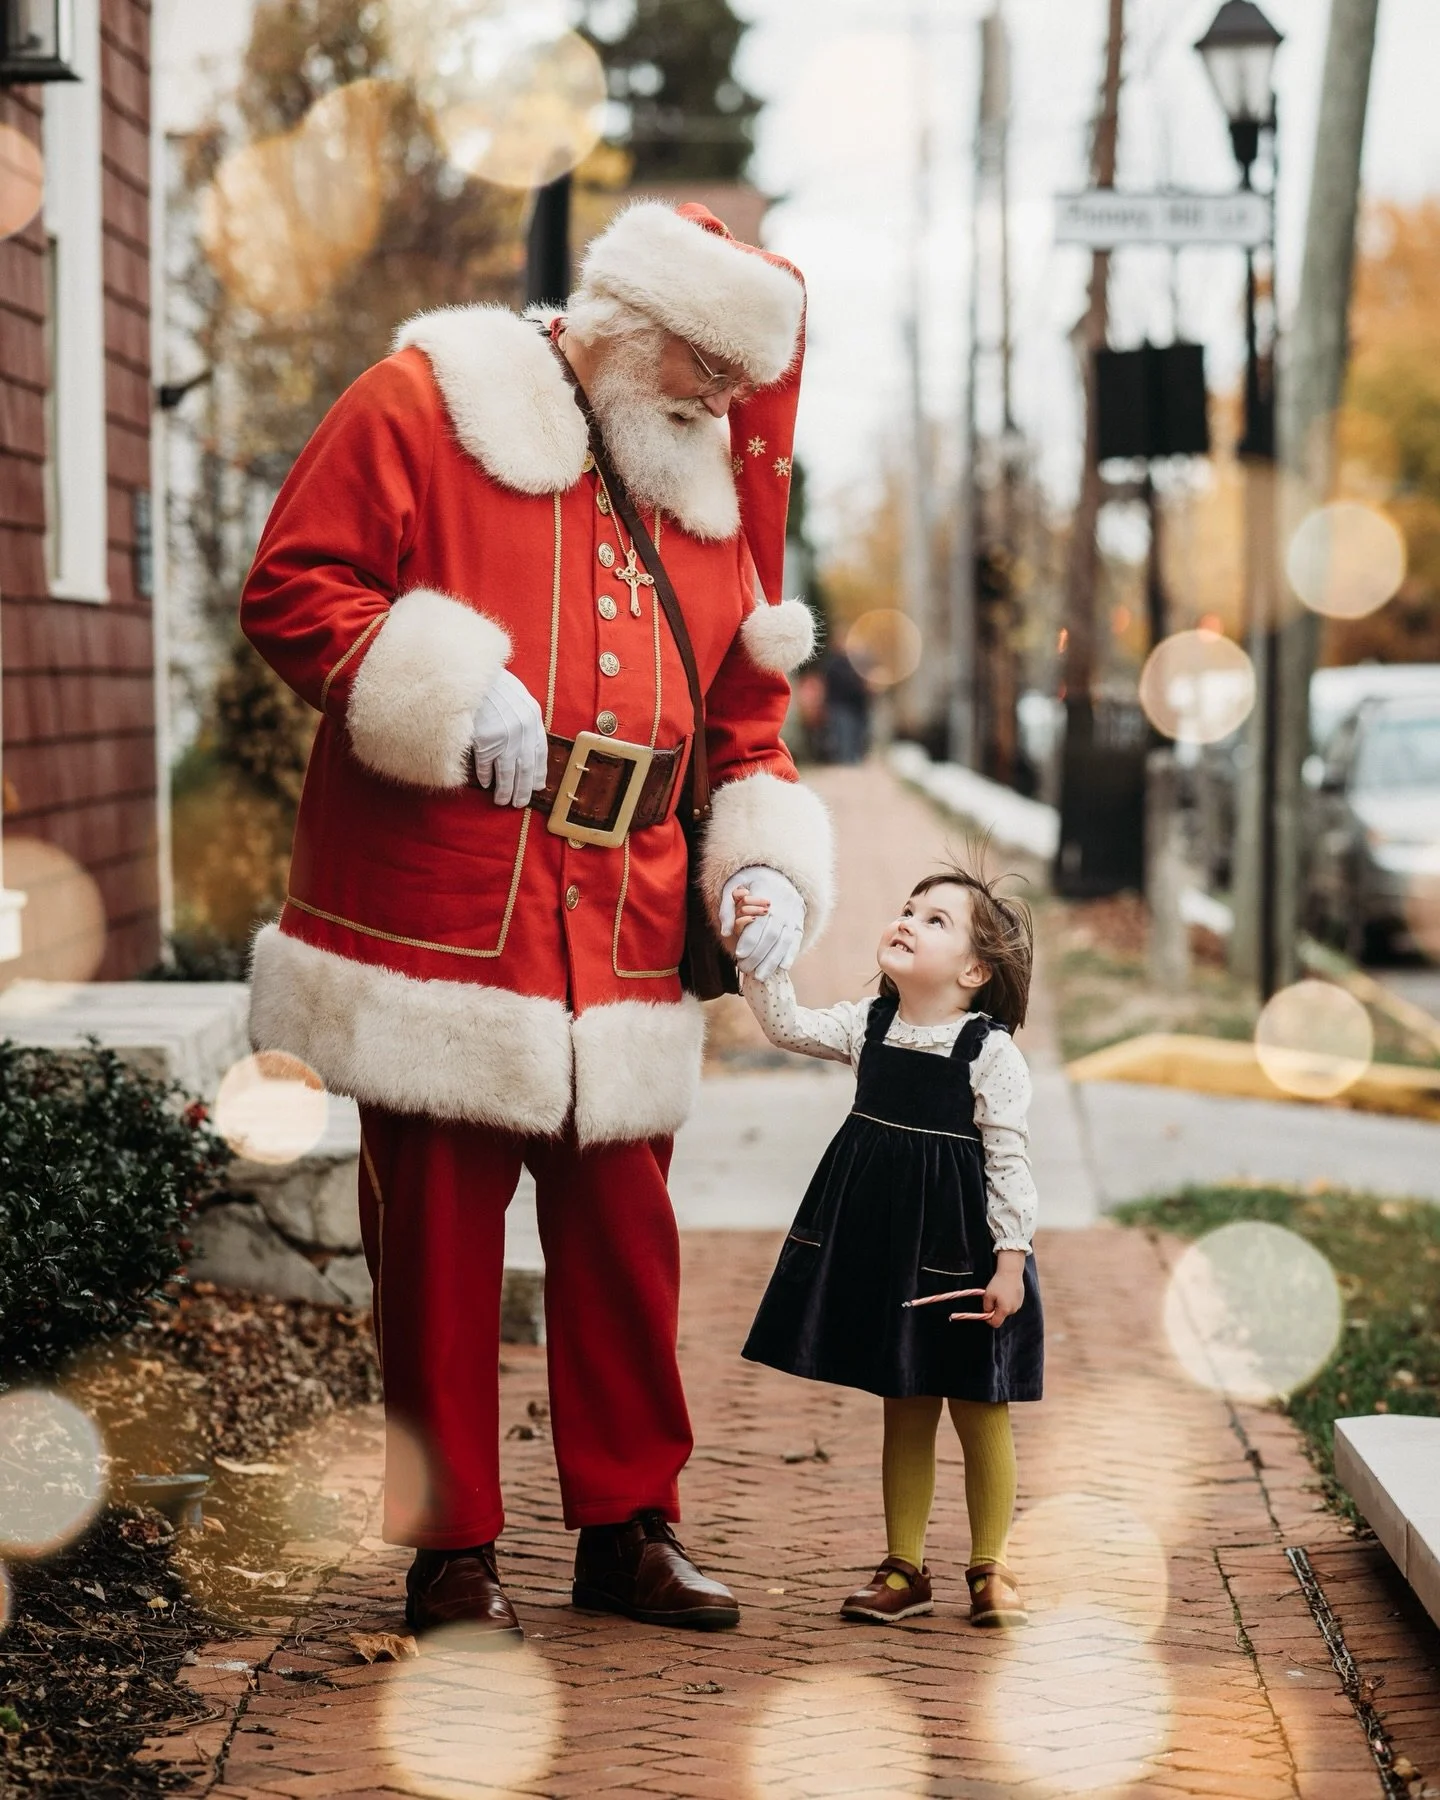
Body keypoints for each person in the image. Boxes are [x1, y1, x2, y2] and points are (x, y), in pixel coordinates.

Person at [239, 200, 836, 1638]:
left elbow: (744, 726)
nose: (724, 403)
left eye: (740, 380)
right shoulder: (424, 401)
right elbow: (293, 587)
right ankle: (451, 1552)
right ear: (631, 323)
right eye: (705, 365)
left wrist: (758, 870)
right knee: (439, 1249)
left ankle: (630, 1528)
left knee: (628, 1244)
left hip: (625, 918)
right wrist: (448, 682)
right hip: (453, 910)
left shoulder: (707, 488)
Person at [730, 863, 1041, 1628]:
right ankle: (904, 1567)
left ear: (974, 971)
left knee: (980, 1403)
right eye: (908, 908)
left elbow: (1009, 1160)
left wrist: (1011, 1262)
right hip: (890, 1250)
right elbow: (785, 1025)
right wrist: (759, 954)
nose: (907, 921)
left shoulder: (988, 1051)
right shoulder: (868, 1025)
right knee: (905, 1398)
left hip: (965, 1255)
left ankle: (991, 1566)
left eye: (936, 920)